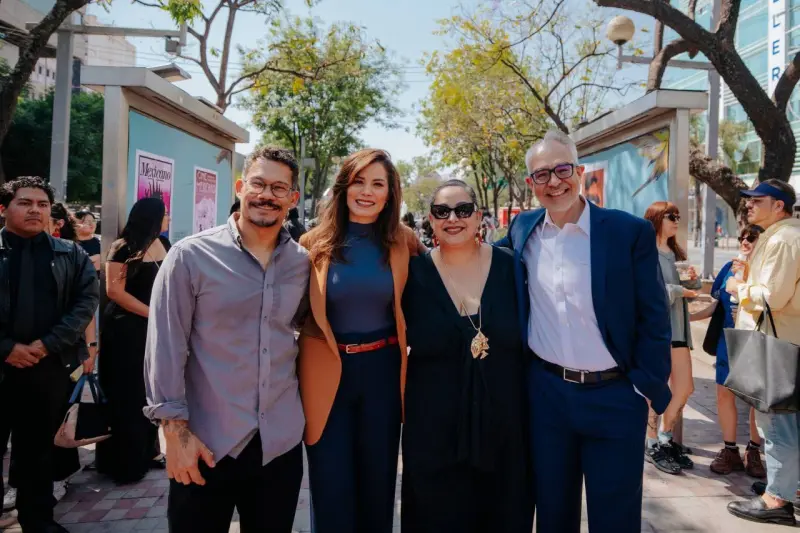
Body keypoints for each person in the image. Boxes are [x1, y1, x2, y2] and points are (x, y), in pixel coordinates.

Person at [495, 130, 671, 533]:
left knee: (615, 518)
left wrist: (645, 387)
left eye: (562, 170)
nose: (554, 181)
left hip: (615, 396)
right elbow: (480, 258)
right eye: (542, 174)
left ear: (578, 171)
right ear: (530, 183)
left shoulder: (627, 232)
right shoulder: (523, 230)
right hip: (547, 397)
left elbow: (656, 317)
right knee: (553, 514)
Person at [144, 147, 309, 533]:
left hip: (278, 446)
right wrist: (174, 432)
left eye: (279, 187)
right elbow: (165, 347)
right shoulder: (190, 257)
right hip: (204, 442)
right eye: (258, 183)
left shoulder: (303, 264)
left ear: (292, 198)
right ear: (240, 187)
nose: (267, 194)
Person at [298, 148, 422, 533]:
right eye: (359, 181)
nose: (367, 192)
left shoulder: (405, 242)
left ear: (389, 194)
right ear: (343, 187)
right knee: (331, 487)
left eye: (378, 184)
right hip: (327, 376)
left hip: (383, 375)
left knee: (378, 484)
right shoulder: (310, 245)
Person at [401, 180, 532, 532]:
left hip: (504, 425)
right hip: (433, 431)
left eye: (463, 210)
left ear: (479, 217)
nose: (453, 218)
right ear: (430, 219)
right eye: (442, 212)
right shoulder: (413, 275)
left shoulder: (512, 267)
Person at [0, 176, 99, 533]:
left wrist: (46, 345)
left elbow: (85, 302)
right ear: (4, 209)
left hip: (47, 368)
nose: (35, 210)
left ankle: (38, 521)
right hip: (2, 366)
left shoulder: (70, 254)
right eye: (25, 203)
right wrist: (7, 348)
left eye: (42, 204)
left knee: (36, 452)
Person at [725, 179, 800, 526]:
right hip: (783, 339)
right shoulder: (783, 234)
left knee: (777, 423)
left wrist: (741, 288)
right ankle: (784, 485)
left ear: (780, 206)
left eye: (758, 200)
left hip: (776, 343)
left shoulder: (784, 238)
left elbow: (771, 296)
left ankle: (776, 500)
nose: (749, 205)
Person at [95, 198, 170, 484]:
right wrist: (151, 314)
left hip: (153, 330)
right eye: (165, 215)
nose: (168, 219)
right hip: (126, 331)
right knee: (127, 396)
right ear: (152, 217)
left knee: (147, 393)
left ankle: (148, 452)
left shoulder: (164, 244)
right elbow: (114, 292)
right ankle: (124, 463)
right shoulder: (122, 247)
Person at [690, 224, 766, 479]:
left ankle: (754, 451)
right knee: (724, 394)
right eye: (742, 237)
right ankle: (730, 450)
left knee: (756, 399)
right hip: (727, 340)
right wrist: (688, 317)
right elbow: (716, 306)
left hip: (756, 341)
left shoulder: (766, 270)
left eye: (751, 238)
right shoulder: (728, 268)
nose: (745, 241)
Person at [641, 201, 701, 474]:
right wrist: (680, 290)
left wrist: (693, 282)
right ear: (656, 219)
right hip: (659, 330)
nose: (676, 220)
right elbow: (648, 291)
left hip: (679, 329)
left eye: (678, 216)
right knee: (658, 389)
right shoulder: (647, 252)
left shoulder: (675, 252)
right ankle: (652, 442)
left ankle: (664, 438)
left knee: (685, 387)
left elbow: (691, 287)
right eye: (670, 216)